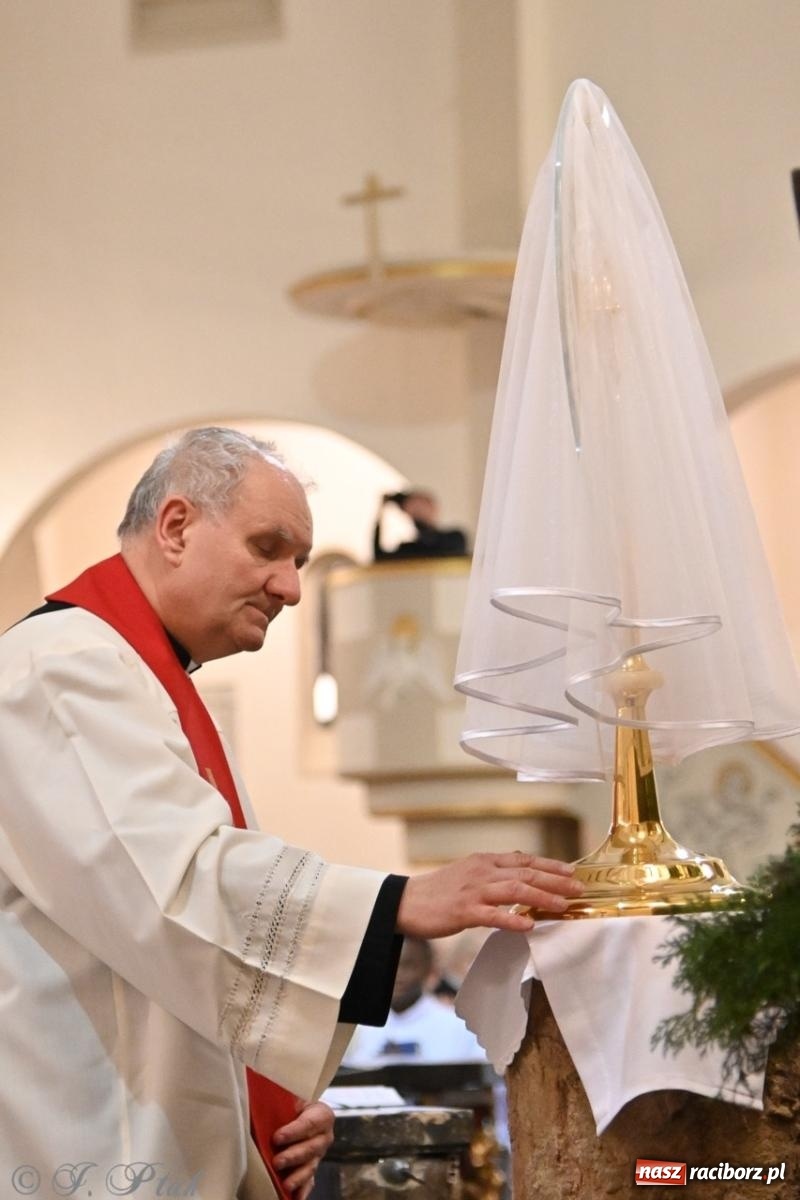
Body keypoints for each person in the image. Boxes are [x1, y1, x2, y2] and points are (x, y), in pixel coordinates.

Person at [0, 428, 581, 1200]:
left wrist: (263, 1102)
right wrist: (398, 901)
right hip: (90, 1153)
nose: (291, 588)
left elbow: (177, 952)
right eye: (268, 548)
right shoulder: (61, 668)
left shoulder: (144, 678)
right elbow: (175, 891)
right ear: (175, 526)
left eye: (300, 562)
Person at [343, 936, 485, 1065]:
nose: (397, 976)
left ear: (430, 970)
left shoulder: (462, 1028)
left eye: (408, 966)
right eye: (389, 965)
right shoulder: (355, 1028)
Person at [373, 489, 468, 561]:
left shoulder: (455, 538)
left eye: (422, 505)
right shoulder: (409, 548)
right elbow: (380, 557)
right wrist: (381, 512)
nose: (419, 510)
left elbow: (433, 543)